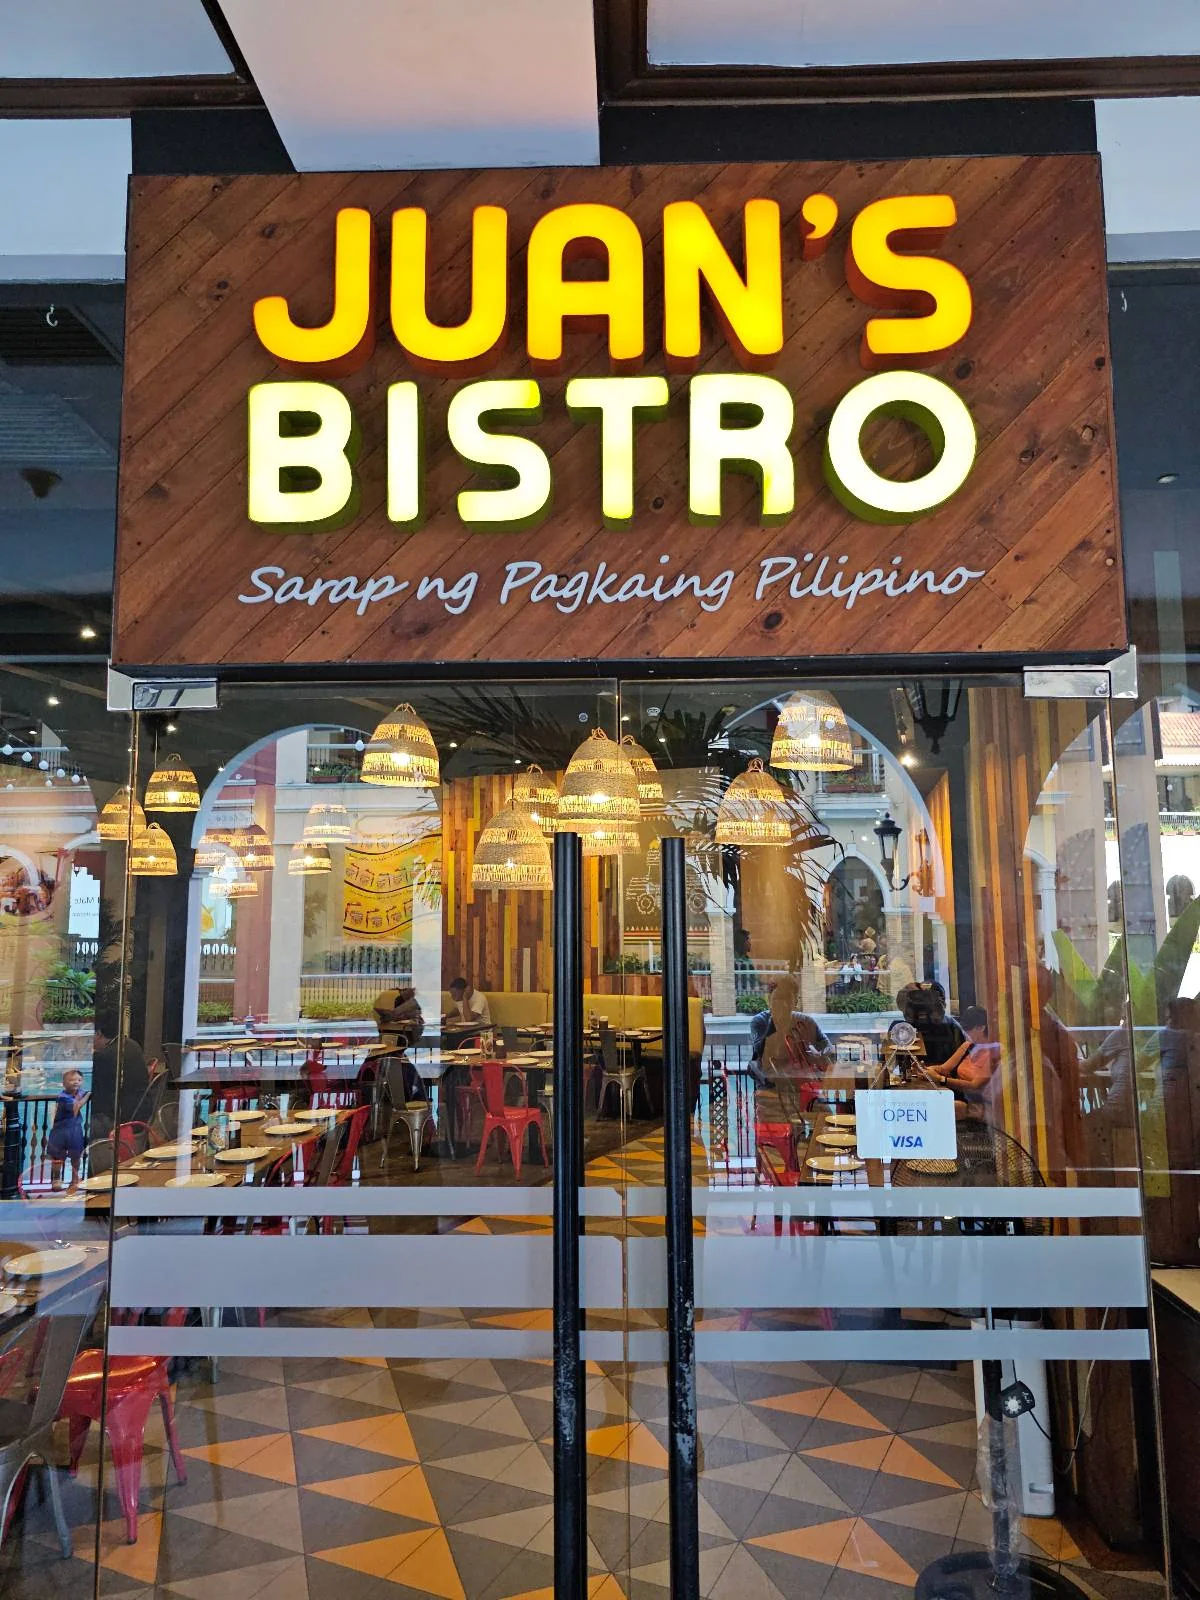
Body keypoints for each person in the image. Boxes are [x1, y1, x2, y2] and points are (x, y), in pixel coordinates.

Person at [930, 1004, 1000, 1117]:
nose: (966, 1034)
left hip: (978, 1104)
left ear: (981, 1028)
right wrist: (925, 1070)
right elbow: (943, 1068)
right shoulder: (968, 1045)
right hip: (959, 1095)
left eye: (968, 1030)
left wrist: (941, 1080)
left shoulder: (995, 1050)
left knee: (940, 1108)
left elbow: (975, 1085)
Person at [89, 1010, 149, 1139]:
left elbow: (97, 1098)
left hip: (119, 1123)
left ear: (98, 1034)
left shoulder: (104, 1057)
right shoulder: (131, 1044)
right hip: (140, 1115)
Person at [46, 1068, 88, 1190]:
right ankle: (56, 1179)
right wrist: (88, 1095)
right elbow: (76, 1106)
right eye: (71, 1080)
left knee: (76, 1155)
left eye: (79, 1080)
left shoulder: (79, 1092)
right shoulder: (63, 1096)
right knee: (57, 1157)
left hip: (75, 1129)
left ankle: (74, 1180)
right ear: (64, 1083)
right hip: (60, 1130)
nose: (76, 1082)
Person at [373, 985, 425, 1051]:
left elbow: (419, 1018)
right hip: (400, 1032)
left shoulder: (414, 1001)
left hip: (409, 1033)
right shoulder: (399, 999)